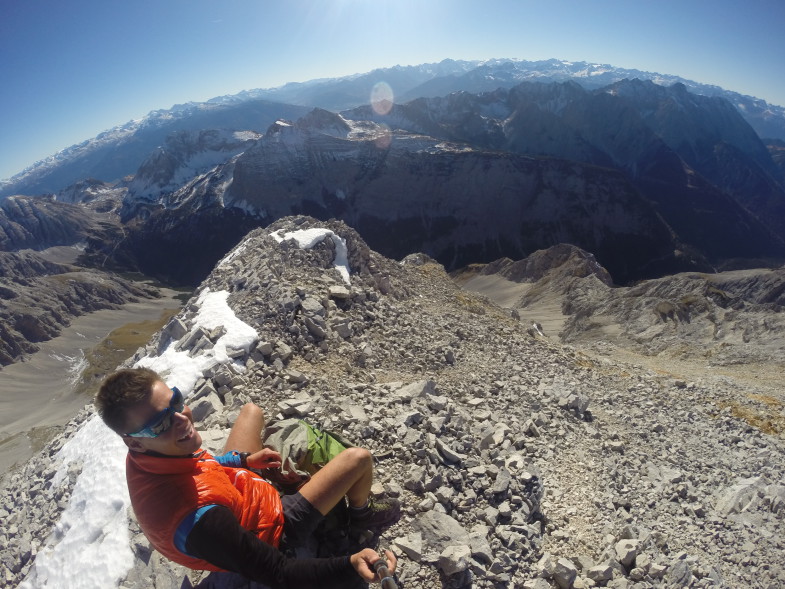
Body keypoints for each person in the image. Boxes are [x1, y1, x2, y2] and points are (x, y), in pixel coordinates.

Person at [95, 367, 400, 588]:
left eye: (175, 402)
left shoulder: (150, 454)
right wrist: (349, 565)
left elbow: (202, 464)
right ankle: (361, 516)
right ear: (132, 441)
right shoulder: (199, 521)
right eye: (160, 423)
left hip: (243, 492)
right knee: (358, 459)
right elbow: (279, 571)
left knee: (251, 412)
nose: (182, 419)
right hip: (273, 526)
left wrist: (243, 460)